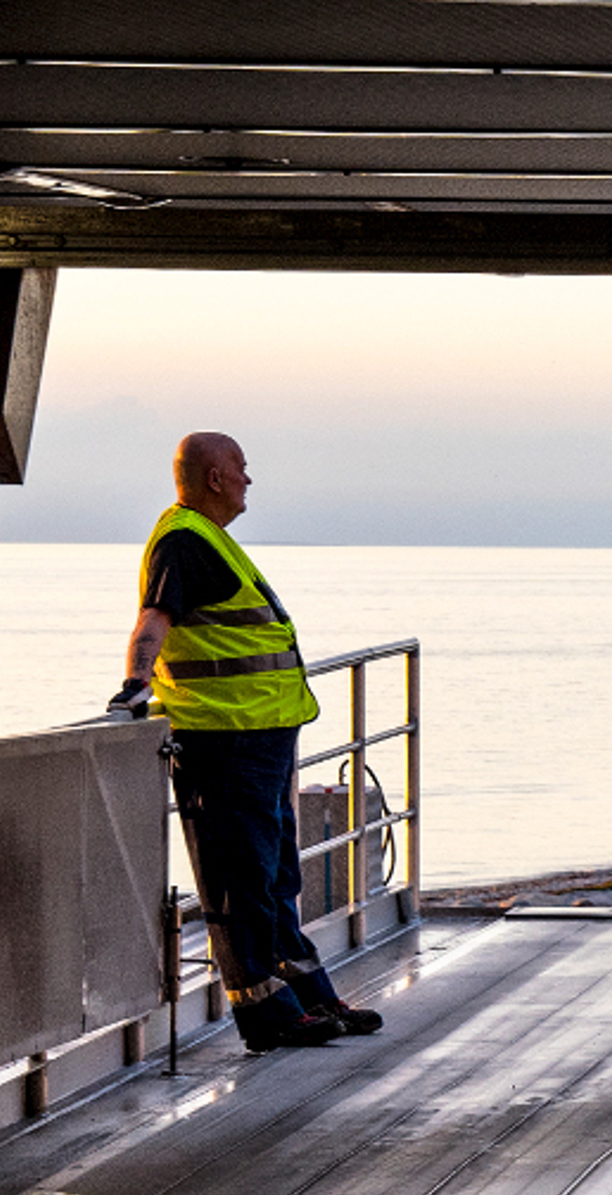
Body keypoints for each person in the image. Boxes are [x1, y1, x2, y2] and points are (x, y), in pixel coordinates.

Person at [109, 431, 381, 1052]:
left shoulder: (211, 541)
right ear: (213, 478)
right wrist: (134, 682)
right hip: (223, 742)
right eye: (241, 468)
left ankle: (308, 991)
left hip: (258, 736)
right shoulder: (185, 542)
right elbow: (154, 618)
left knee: (276, 871)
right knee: (242, 879)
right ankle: (265, 1012)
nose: (248, 480)